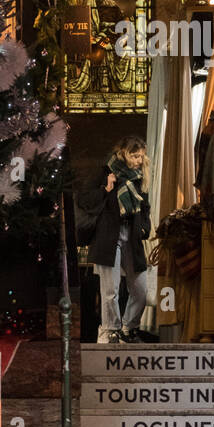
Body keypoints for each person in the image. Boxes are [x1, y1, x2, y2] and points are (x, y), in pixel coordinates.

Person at [79, 137, 152, 345]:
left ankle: (128, 328)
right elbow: (83, 200)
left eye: (141, 156)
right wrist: (106, 189)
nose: (139, 160)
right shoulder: (106, 172)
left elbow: (145, 207)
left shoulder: (139, 177)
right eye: (134, 155)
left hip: (132, 238)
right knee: (110, 290)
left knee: (140, 289)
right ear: (123, 153)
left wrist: (145, 227)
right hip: (108, 237)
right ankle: (110, 330)